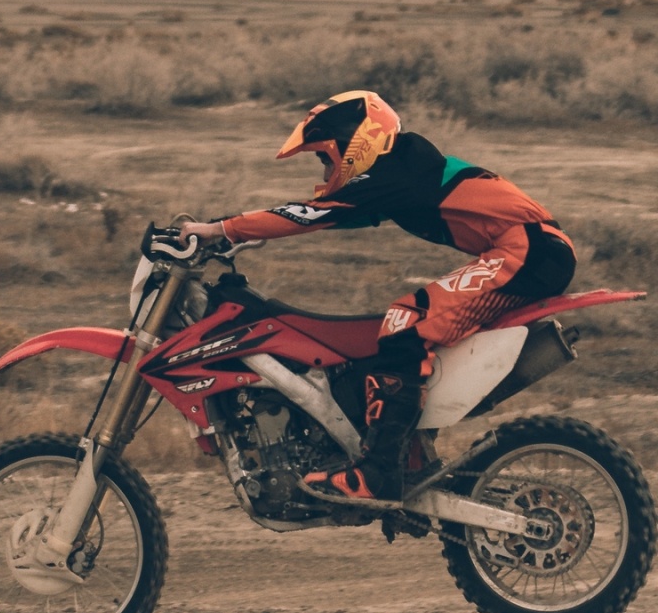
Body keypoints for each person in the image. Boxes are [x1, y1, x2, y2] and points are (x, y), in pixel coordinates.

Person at [178, 90, 576, 504]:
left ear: (355, 142)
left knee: (406, 322)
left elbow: (313, 214)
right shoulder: (402, 168)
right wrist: (236, 235)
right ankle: (407, 453)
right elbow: (335, 214)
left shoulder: (396, 171)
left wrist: (221, 229)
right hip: (529, 249)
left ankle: (380, 471)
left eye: (326, 156)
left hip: (530, 252)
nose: (326, 168)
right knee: (406, 322)